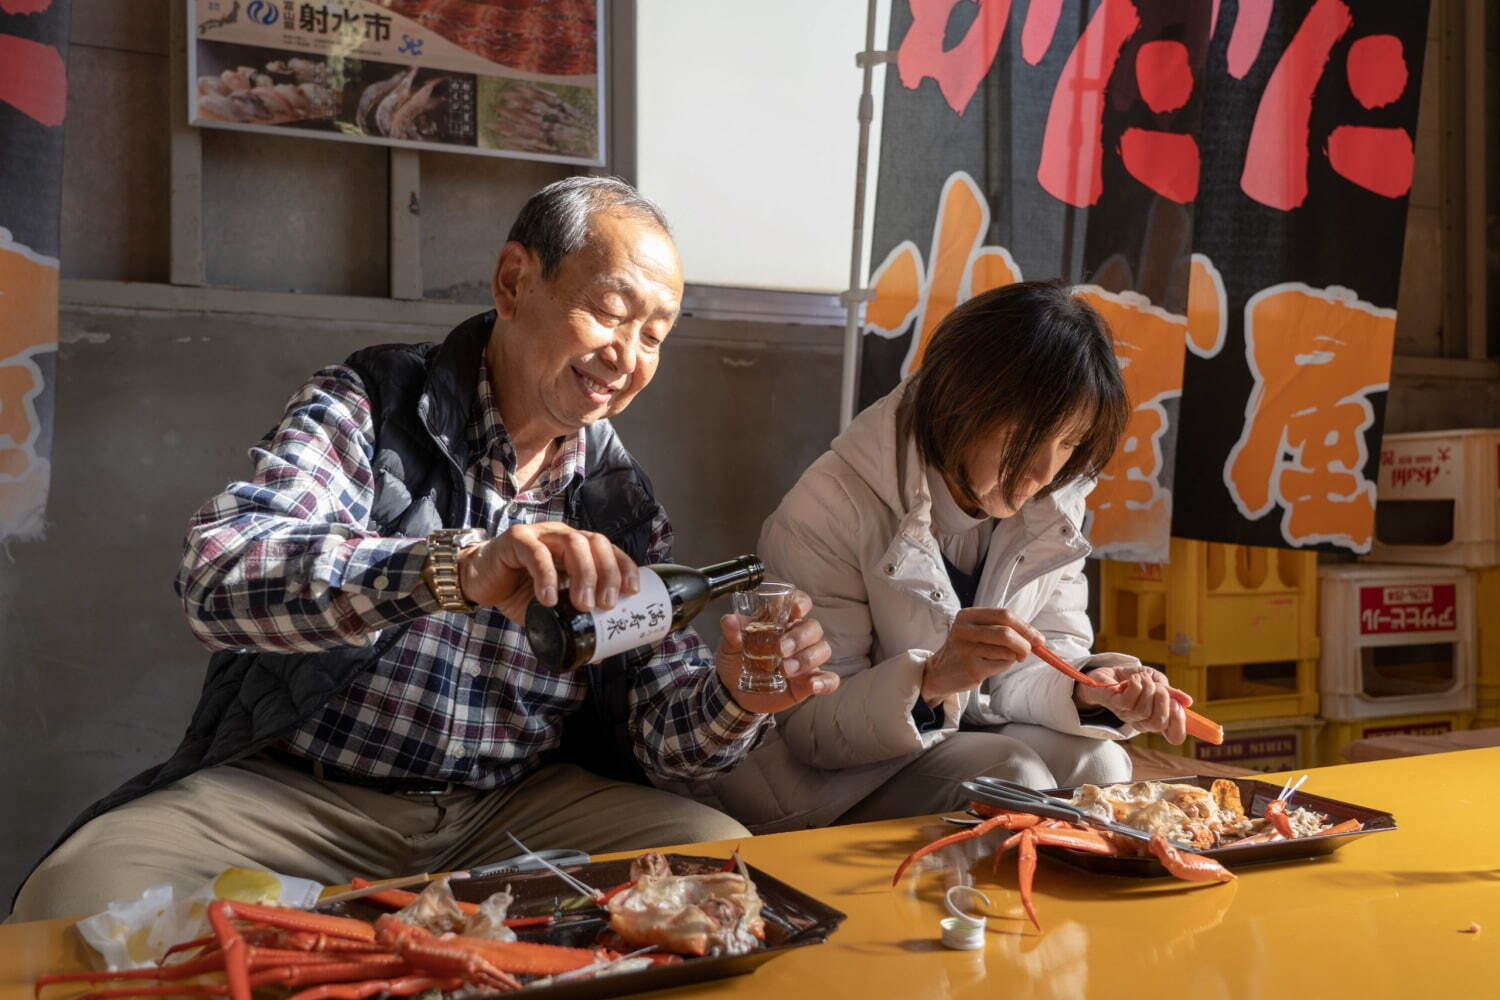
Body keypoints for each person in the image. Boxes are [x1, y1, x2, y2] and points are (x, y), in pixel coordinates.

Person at [10, 177, 837, 921]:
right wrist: (454, 569)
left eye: (655, 336)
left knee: (721, 860)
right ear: (514, 283)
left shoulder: (619, 500)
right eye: (614, 313)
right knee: (73, 899)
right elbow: (219, 573)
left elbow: (667, 737)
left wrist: (737, 695)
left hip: (509, 808)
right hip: (301, 796)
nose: (628, 359)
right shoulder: (370, 403)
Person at [669, 280, 1192, 832]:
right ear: (959, 404)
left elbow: (1043, 658)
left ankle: (1056, 915)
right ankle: (973, 919)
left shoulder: (1054, 502)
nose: (1043, 472)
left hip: (961, 743)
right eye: (1024, 437)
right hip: (815, 782)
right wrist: (934, 678)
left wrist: (1087, 689)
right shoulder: (828, 506)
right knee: (1013, 777)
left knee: (1101, 764)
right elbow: (811, 725)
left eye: (1068, 442)